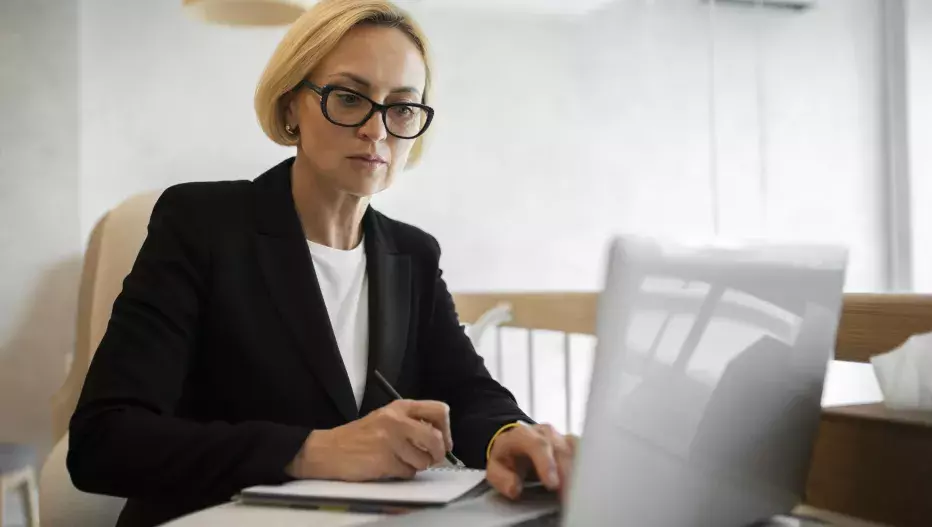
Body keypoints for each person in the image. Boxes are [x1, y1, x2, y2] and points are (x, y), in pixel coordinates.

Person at [66, 1, 575, 525]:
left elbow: (469, 391)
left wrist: (509, 436)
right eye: (350, 98)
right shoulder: (201, 223)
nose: (377, 131)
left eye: (401, 108)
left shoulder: (414, 254)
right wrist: (312, 450)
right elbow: (104, 439)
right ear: (291, 107)